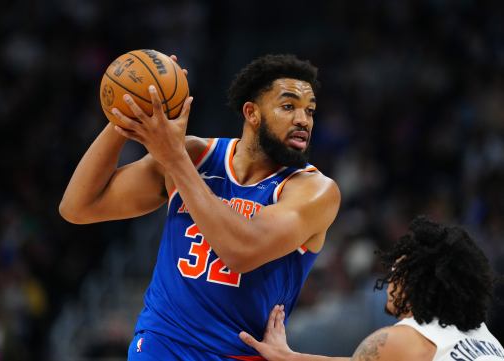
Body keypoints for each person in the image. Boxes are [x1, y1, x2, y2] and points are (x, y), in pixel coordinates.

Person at [59, 54, 341, 360]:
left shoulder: (314, 190)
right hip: (160, 343)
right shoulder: (195, 154)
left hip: (233, 353)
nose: (304, 120)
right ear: (252, 113)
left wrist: (175, 160)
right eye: (289, 107)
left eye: (309, 111)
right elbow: (78, 207)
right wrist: (128, 114)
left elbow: (239, 250)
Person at [239, 216, 504, 361]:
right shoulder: (485, 338)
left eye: (397, 272)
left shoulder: (399, 340)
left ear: (418, 283)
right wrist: (289, 357)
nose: (389, 280)